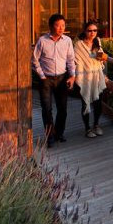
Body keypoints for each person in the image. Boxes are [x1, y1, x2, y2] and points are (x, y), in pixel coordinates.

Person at [32, 13, 75, 147]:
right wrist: (42, 76)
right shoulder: (42, 41)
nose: (61, 28)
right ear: (51, 26)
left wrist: (72, 76)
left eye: (63, 25)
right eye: (57, 25)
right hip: (46, 79)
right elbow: (34, 60)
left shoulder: (67, 40)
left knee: (62, 109)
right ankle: (49, 137)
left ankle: (59, 133)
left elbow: (70, 60)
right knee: (47, 109)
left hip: (62, 78)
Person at [74, 21, 108, 138]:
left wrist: (103, 59)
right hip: (85, 77)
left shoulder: (97, 41)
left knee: (98, 103)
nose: (92, 33)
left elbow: (101, 58)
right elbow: (77, 61)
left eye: (95, 30)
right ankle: (87, 128)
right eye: (90, 30)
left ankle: (96, 125)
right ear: (85, 31)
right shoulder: (79, 44)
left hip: (97, 76)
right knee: (85, 103)